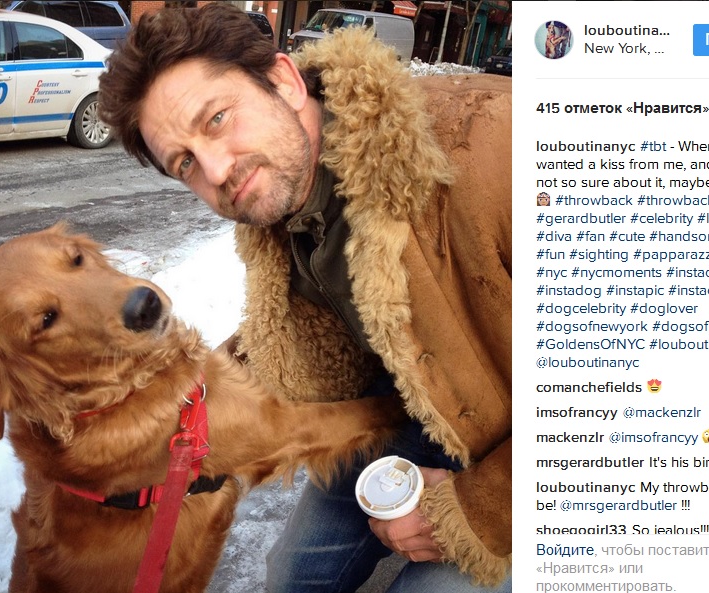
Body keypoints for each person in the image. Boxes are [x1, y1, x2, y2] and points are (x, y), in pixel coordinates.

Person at [98, 4, 511, 591]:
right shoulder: (283, 207)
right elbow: (291, 336)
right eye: (185, 161)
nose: (215, 170)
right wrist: (172, 405)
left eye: (216, 118)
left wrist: (483, 508)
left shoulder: (495, 146)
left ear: (285, 81)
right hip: (408, 409)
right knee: (292, 577)